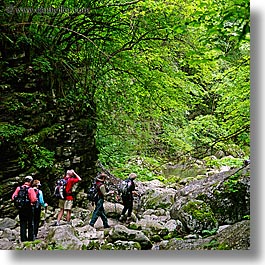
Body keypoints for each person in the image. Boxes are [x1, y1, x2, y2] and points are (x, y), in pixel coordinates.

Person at [11, 175, 37, 242]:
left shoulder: (18, 188)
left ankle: (23, 239)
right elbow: (34, 199)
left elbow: (13, 197)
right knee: (30, 223)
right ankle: (30, 239)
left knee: (23, 223)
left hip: (21, 208)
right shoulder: (30, 189)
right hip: (29, 208)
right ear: (30, 181)